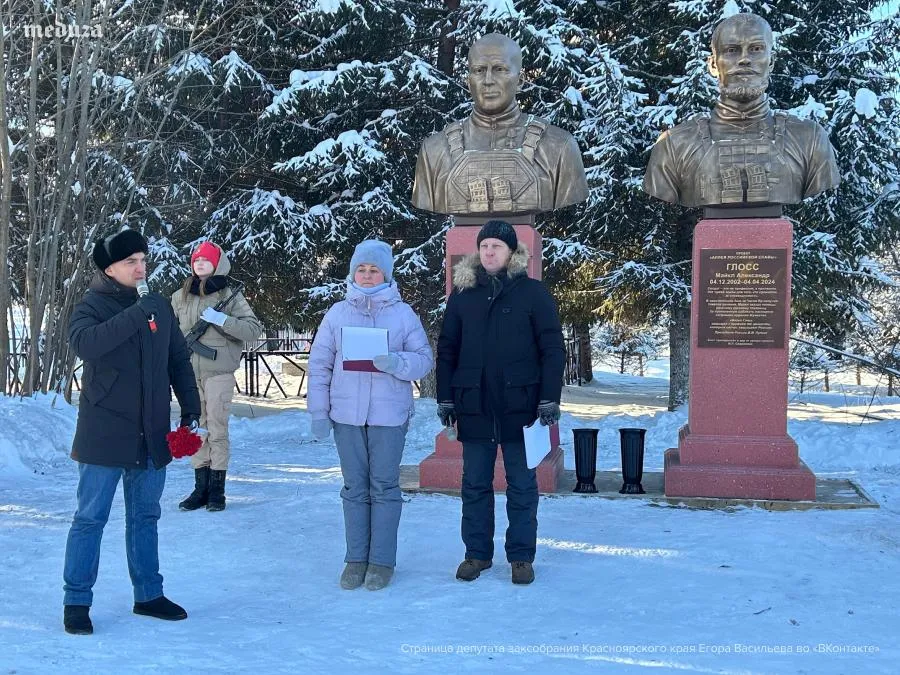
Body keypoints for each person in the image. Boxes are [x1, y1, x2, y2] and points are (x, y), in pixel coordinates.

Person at [63, 229, 201, 635]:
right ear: (110, 269)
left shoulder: (156, 306)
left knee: (145, 516)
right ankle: (76, 600)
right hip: (103, 432)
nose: (142, 268)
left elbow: (177, 358)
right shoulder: (90, 306)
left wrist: (190, 408)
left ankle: (148, 594)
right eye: (132, 262)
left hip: (151, 431)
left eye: (143, 260)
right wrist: (137, 315)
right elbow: (86, 345)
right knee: (90, 518)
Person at [436, 220, 565, 585]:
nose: (489, 252)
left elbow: (552, 349)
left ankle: (521, 556)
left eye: (497, 246)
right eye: (485, 246)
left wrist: (548, 399)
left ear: (512, 252)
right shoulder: (462, 296)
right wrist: (446, 397)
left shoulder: (533, 294)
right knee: (474, 483)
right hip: (474, 405)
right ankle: (477, 554)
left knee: (522, 485)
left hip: (520, 407)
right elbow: (447, 350)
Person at [308, 240, 433, 591]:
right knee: (354, 488)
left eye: (374, 269)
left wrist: (398, 363)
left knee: (384, 486)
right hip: (346, 416)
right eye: (361, 269)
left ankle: (381, 561)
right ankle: (355, 558)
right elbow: (319, 365)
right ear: (352, 273)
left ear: (386, 273)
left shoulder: (403, 314)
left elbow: (424, 359)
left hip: (388, 416)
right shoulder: (336, 314)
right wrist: (319, 411)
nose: (366, 275)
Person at [643, 13, 840, 209]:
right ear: (713, 64)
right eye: (731, 50)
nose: (745, 59)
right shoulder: (673, 145)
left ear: (771, 62)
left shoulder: (810, 139)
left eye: (756, 49)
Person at [412, 33, 588, 216]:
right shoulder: (433, 151)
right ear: (468, 80)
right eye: (479, 70)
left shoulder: (559, 146)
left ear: (519, 80)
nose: (488, 80)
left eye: (499, 69)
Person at [171, 241, 263, 512]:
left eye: (206, 260)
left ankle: (217, 491)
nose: (199, 264)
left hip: (219, 371)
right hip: (189, 373)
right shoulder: (180, 296)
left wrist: (223, 320)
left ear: (218, 264)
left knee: (217, 429)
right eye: (196, 260)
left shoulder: (229, 295)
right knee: (195, 427)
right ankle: (200, 488)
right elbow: (171, 332)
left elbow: (252, 329)